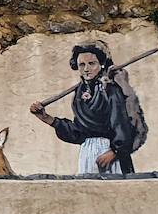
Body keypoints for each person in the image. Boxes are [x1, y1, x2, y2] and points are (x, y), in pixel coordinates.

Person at [29, 43, 136, 175]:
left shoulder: (111, 91)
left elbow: (121, 123)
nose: (86, 69)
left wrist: (114, 151)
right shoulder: (79, 95)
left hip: (110, 151)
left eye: (92, 63)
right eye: (82, 65)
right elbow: (78, 132)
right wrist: (47, 118)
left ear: (101, 65)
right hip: (88, 152)